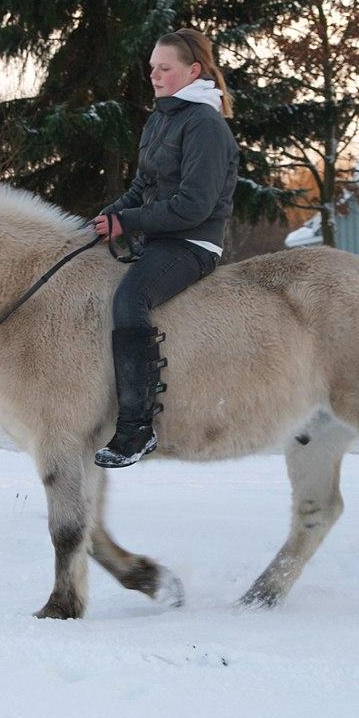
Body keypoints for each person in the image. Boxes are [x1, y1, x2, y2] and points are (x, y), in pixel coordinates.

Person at [92, 28, 239, 469]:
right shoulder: (162, 118)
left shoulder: (205, 126)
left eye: (164, 68)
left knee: (130, 298)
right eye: (152, 68)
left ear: (192, 71)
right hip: (158, 238)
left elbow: (193, 208)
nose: (154, 75)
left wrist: (129, 221)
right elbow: (142, 187)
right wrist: (105, 217)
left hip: (192, 243)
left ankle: (137, 429)